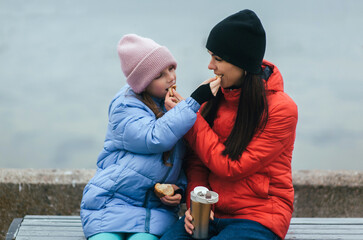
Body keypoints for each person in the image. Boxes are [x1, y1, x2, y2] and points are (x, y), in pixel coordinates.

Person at [160, 9, 298, 240]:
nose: (210, 66)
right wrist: (197, 203)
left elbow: (233, 166)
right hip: (211, 212)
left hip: (259, 215)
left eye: (218, 59)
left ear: (242, 64)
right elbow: (196, 161)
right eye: (211, 56)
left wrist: (190, 120)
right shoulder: (212, 99)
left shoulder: (281, 109)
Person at [80, 34, 220, 240]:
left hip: (153, 213)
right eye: (159, 75)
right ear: (142, 83)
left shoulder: (175, 110)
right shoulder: (125, 106)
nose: (171, 77)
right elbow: (153, 138)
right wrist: (194, 101)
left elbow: (179, 161)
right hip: (111, 203)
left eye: (171, 68)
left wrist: (177, 190)